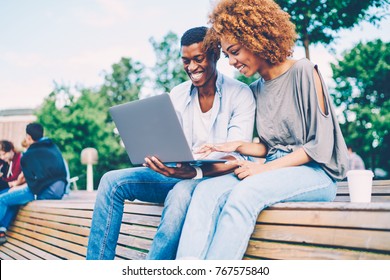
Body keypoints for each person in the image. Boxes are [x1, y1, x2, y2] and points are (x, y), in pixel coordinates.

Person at [175, 0, 349, 260]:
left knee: (245, 194)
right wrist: (235, 145)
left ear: (256, 38)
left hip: (316, 173)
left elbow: (318, 146)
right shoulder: (256, 89)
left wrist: (263, 169)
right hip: (274, 170)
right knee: (204, 193)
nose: (231, 62)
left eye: (235, 51)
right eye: (227, 55)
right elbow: (269, 147)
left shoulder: (303, 71)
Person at [86, 26, 256, 260]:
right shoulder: (177, 94)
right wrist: (156, 157)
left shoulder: (241, 94)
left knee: (179, 194)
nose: (192, 68)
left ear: (215, 54)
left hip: (215, 178)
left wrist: (193, 172)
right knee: (111, 181)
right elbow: (169, 141)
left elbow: (235, 157)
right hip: (178, 172)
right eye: (186, 61)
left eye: (198, 59)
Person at [0, 123, 68, 244]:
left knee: (2, 199)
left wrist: (17, 187)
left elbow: (32, 183)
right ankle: (2, 229)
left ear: (28, 137)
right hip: (60, 191)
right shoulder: (53, 147)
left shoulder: (28, 155)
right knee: (13, 199)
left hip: (43, 192)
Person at [0, 140, 24, 244]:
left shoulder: (20, 159)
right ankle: (2, 230)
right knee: (10, 202)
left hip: (19, 189)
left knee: (6, 199)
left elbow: (22, 178)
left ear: (11, 150)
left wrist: (14, 183)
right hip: (10, 188)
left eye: (4, 154)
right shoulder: (4, 163)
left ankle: (2, 230)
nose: (2, 157)